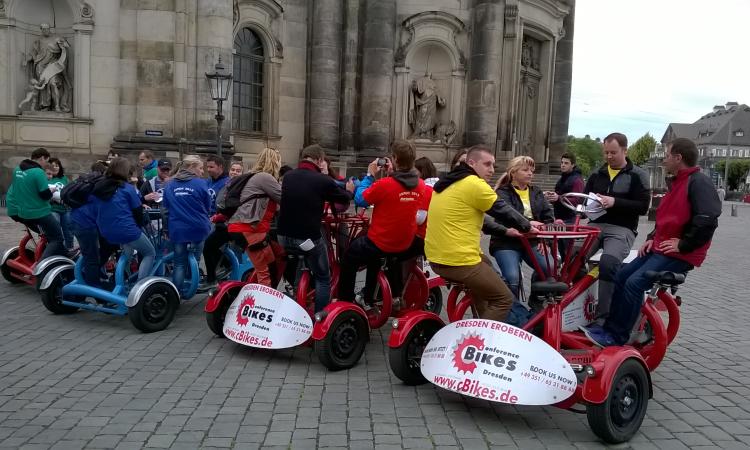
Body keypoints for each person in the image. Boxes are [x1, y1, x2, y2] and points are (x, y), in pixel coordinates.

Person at [583, 138, 721, 346]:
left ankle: (617, 337)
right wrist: (651, 239)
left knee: (633, 284)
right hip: (661, 248)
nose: (663, 160)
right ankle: (608, 327)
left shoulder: (699, 182)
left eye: (666, 156)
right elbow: (668, 218)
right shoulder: (678, 181)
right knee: (621, 276)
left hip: (678, 253)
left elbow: (708, 218)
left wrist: (683, 244)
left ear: (678, 158)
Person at [425, 145, 535, 323]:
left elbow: (483, 221)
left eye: (493, 165)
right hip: (458, 261)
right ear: (471, 163)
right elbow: (501, 209)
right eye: (487, 164)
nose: (492, 170)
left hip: (437, 258)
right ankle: (480, 341)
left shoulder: (450, 182)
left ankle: (485, 316)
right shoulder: (474, 183)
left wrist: (507, 230)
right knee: (503, 298)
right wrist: (528, 226)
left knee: (487, 266)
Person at [338, 140, 426, 305]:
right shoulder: (420, 185)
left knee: (349, 256)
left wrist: (370, 176)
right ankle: (371, 296)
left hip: (381, 242)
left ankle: (345, 300)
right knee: (374, 256)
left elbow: (360, 199)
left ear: (395, 159)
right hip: (404, 243)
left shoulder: (385, 184)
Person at [277, 144, 353, 313]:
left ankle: (297, 301)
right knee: (323, 277)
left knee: (302, 260)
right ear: (319, 160)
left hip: (282, 237)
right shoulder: (321, 180)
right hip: (306, 239)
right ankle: (321, 316)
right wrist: (349, 190)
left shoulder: (289, 176)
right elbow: (344, 197)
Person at [584, 132, 651, 321]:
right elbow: (584, 197)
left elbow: (643, 207)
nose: (608, 157)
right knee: (573, 257)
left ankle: (604, 316)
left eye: (613, 152)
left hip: (622, 227)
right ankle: (578, 306)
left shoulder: (638, 175)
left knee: (609, 263)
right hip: (595, 224)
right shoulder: (597, 174)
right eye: (606, 153)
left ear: (624, 150)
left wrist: (615, 202)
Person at [486, 156, 555, 326]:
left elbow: (548, 217)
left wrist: (543, 239)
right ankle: (512, 318)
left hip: (533, 240)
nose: (530, 173)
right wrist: (528, 224)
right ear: (513, 172)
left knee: (550, 266)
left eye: (532, 170)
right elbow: (505, 216)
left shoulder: (537, 191)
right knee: (512, 277)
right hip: (507, 241)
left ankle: (535, 299)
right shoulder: (502, 192)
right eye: (525, 170)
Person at [227, 148, 283, 287]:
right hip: (249, 229)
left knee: (279, 257)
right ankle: (264, 304)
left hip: (250, 228)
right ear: (275, 162)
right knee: (266, 272)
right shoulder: (264, 177)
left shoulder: (255, 177)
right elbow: (285, 198)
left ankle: (267, 295)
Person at [93, 157, 154, 280]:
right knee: (150, 253)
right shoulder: (127, 188)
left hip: (105, 231)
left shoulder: (99, 187)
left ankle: (121, 280)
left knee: (128, 253)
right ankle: (140, 287)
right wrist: (140, 225)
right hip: (127, 230)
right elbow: (138, 213)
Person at [163, 156, 212, 297]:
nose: (202, 172)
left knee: (179, 263)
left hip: (178, 229)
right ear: (191, 167)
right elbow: (208, 206)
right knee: (195, 258)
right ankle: (192, 284)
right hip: (198, 227)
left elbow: (165, 210)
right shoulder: (201, 184)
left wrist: (166, 229)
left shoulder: (170, 185)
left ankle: (176, 294)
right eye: (200, 168)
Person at [7, 147, 66, 259]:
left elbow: (19, 190)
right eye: (47, 161)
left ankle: (60, 254)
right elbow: (45, 195)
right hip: (39, 212)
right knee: (57, 238)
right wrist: (51, 191)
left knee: (47, 235)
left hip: (22, 212)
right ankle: (42, 265)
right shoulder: (38, 172)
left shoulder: (17, 169)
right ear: (42, 158)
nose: (46, 164)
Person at [70, 161, 108, 286]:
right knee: (91, 257)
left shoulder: (87, 182)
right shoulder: (100, 186)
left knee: (104, 248)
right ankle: (94, 289)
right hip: (85, 224)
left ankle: (93, 275)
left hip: (78, 219)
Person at [546, 152, 585, 225]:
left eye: (566, 163)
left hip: (570, 218)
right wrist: (552, 197)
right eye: (562, 162)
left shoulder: (577, 180)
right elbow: (558, 196)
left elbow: (578, 201)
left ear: (573, 165)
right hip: (559, 217)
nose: (563, 165)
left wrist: (558, 198)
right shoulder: (562, 179)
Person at [46, 157, 75, 252]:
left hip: (65, 209)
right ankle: (56, 251)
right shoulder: (47, 178)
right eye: (53, 166)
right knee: (56, 232)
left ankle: (70, 250)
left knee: (69, 231)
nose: (55, 167)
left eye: (57, 165)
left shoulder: (64, 178)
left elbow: (69, 191)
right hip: (53, 209)